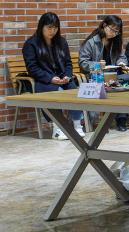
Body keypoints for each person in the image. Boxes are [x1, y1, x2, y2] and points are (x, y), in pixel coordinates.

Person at [21, 12, 83, 140]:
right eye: (49, 27)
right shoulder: (31, 44)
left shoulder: (61, 42)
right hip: (43, 81)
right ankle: (57, 129)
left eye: (55, 28)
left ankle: (77, 126)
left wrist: (67, 76)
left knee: (74, 90)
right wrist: (50, 78)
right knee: (57, 92)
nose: (52, 31)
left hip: (62, 78)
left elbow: (68, 63)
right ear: (41, 26)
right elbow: (32, 68)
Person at [79, 15, 129, 132]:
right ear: (104, 25)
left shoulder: (116, 42)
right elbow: (83, 63)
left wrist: (122, 63)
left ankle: (121, 119)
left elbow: (122, 57)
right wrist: (97, 65)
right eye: (112, 30)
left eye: (116, 32)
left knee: (124, 85)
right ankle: (95, 122)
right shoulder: (91, 42)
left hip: (113, 76)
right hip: (96, 76)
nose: (114, 34)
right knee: (104, 86)